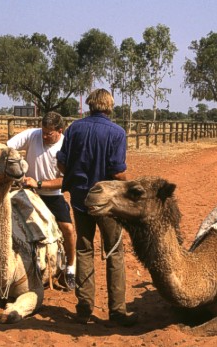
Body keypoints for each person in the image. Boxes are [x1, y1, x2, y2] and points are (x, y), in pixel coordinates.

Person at [0, 112, 77, 291]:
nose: (44, 136)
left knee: (68, 228)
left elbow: (66, 180)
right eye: (43, 131)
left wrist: (38, 183)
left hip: (51, 194)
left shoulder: (66, 145)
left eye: (49, 133)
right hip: (25, 190)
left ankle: (70, 268)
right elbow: (5, 148)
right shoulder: (32, 134)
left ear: (60, 131)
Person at [56, 88, 137, 327]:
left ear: (90, 104)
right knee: (114, 252)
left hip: (81, 201)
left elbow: (62, 165)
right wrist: (128, 189)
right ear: (109, 105)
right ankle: (117, 311)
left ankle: (84, 308)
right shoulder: (117, 133)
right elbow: (118, 171)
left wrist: (77, 177)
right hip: (108, 203)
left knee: (84, 250)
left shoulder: (74, 129)